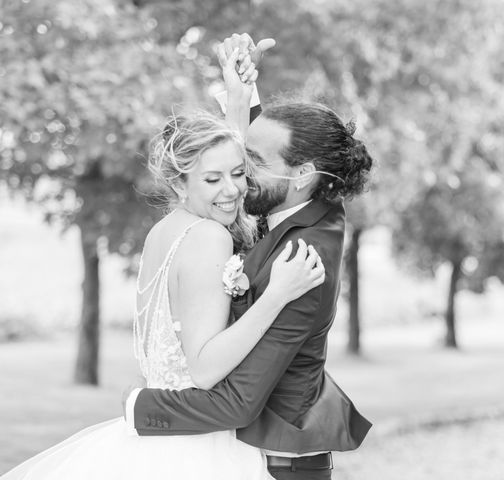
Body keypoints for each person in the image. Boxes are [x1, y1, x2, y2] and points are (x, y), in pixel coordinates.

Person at [1, 43, 325, 480]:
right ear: (179, 182)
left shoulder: (166, 232)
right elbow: (206, 368)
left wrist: (239, 96)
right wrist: (277, 295)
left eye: (237, 173)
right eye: (212, 179)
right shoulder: (209, 237)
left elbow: (221, 160)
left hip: (162, 438)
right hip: (198, 449)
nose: (232, 190)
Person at [124, 33, 374, 480]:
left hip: (282, 466)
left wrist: (140, 407)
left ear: (302, 175)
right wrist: (241, 95)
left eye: (247, 167)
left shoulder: (303, 260)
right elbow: (263, 155)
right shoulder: (301, 197)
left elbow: (236, 402)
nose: (239, 184)